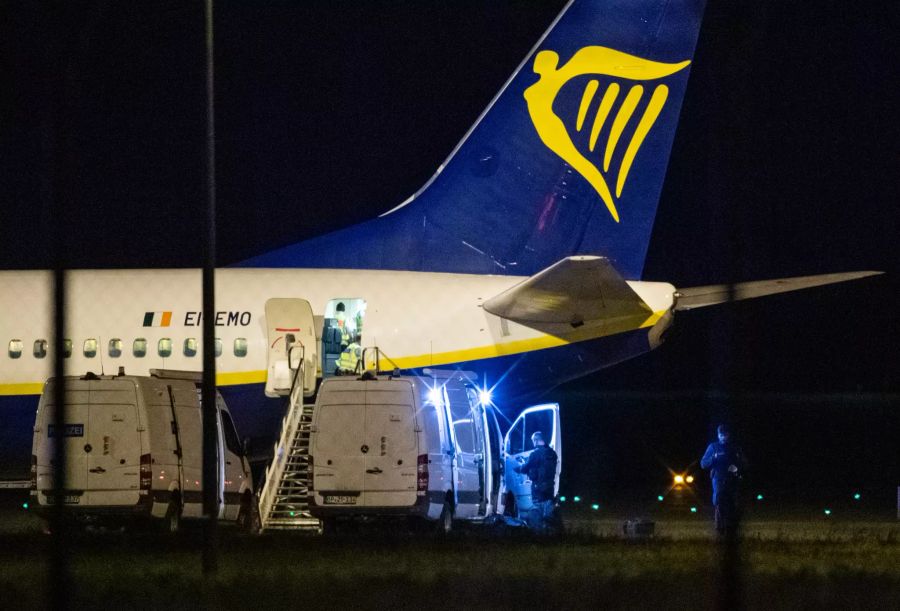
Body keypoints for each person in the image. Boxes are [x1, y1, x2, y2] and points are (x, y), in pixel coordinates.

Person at [700, 423, 747, 537]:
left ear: (729, 435)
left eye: (725, 435)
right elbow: (703, 464)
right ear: (718, 435)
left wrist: (737, 468)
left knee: (733, 503)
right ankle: (719, 529)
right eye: (721, 435)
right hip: (718, 479)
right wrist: (713, 458)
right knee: (719, 502)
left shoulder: (735, 448)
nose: (723, 437)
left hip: (732, 480)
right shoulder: (713, 447)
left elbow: (744, 463)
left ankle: (732, 529)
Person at [514, 431, 559, 533]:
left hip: (538, 488)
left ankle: (538, 536)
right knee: (548, 513)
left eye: (533, 440)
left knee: (537, 512)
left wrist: (516, 468)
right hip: (550, 488)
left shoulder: (535, 454)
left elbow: (525, 468)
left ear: (536, 440)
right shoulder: (553, 453)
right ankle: (550, 536)